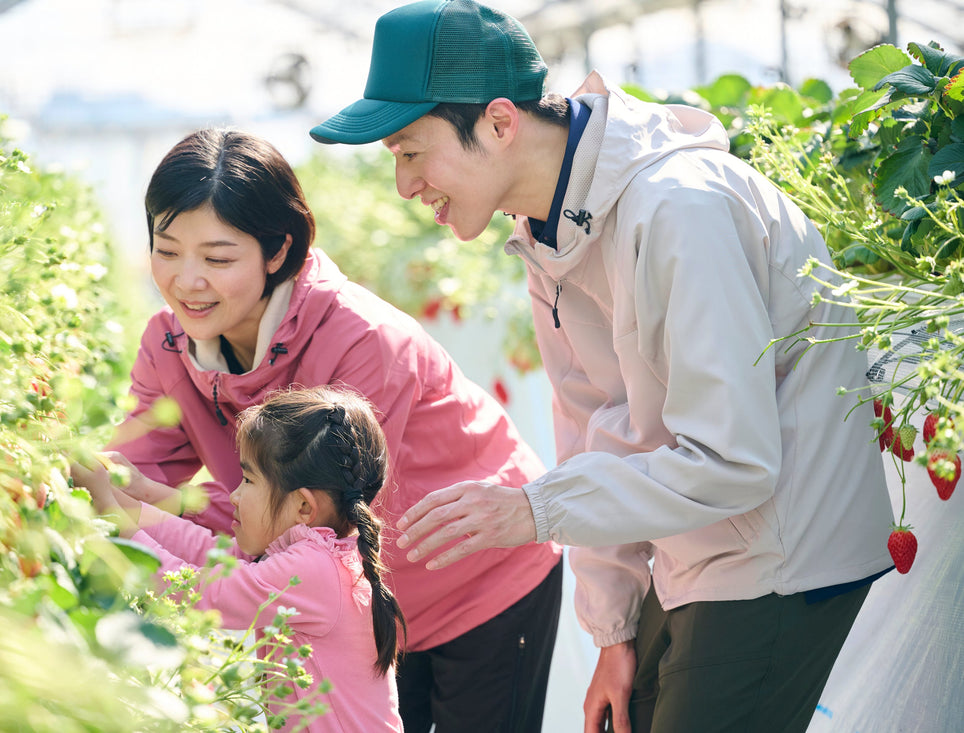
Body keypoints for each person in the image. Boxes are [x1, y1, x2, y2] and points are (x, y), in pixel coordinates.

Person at [309, 2, 896, 732]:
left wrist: (534, 509)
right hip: (702, 551)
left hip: (780, 556)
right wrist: (614, 626)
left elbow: (733, 459)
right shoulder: (548, 231)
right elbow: (597, 424)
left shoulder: (680, 208)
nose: (403, 184)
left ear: (498, 122)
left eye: (409, 151)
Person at [75, 127, 563, 733]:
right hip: (354, 611)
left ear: (277, 251)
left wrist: (157, 507)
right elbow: (129, 473)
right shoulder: (170, 345)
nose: (186, 280)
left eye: (218, 258)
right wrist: (75, 480)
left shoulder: (360, 341)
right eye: (167, 250)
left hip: (478, 578)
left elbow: (318, 517)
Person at [79, 386, 404, 731]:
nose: (234, 495)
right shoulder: (307, 551)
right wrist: (123, 504)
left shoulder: (314, 569)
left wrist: (111, 512)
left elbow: (202, 594)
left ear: (304, 506)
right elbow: (210, 554)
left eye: (248, 479)